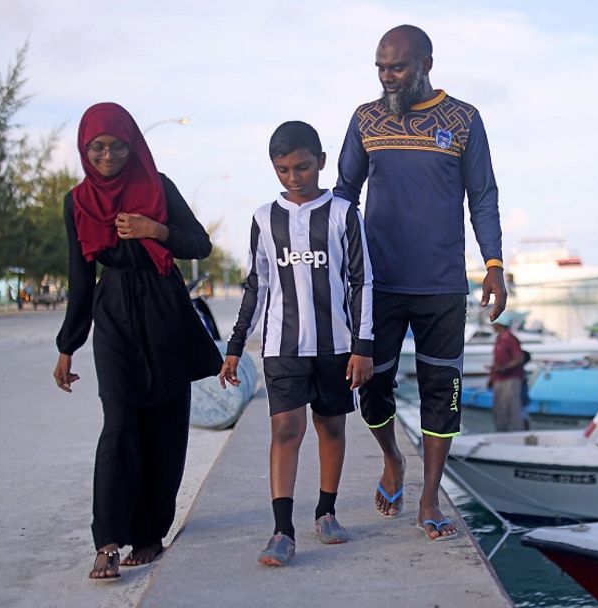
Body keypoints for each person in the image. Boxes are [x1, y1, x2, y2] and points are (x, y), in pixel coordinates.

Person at [334, 24, 507, 541]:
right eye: (381, 68)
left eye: (398, 68)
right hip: (378, 285)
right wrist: (332, 264)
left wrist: (493, 264)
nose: (388, 77)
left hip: (441, 285)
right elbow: (345, 194)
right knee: (371, 385)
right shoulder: (366, 119)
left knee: (442, 390)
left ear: (426, 62)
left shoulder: (464, 120)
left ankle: (430, 498)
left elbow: (483, 196)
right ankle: (392, 460)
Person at [52, 102, 222, 580]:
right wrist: (68, 346)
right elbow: (80, 278)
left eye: (117, 146)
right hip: (114, 319)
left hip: (164, 311)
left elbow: (199, 245)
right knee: (119, 424)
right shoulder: (77, 202)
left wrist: (156, 229)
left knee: (165, 427)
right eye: (97, 148)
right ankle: (106, 539)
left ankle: (149, 535)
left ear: (133, 145)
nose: (108, 156)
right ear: (85, 150)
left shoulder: (158, 186)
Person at [220, 121, 374, 567]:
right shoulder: (264, 218)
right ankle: (282, 531)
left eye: (302, 167)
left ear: (321, 162)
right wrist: (234, 345)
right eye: (283, 169)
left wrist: (363, 346)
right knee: (285, 429)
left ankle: (326, 512)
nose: (294, 177)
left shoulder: (345, 214)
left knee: (331, 426)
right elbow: (257, 283)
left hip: (336, 345)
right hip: (282, 347)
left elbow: (363, 280)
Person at [488, 312, 525, 432]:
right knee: (499, 409)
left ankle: (515, 435)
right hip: (499, 379)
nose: (492, 327)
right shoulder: (499, 339)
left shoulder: (511, 339)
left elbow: (519, 358)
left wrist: (505, 367)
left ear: (500, 325)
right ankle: (501, 433)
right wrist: (491, 378)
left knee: (512, 409)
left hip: (511, 379)